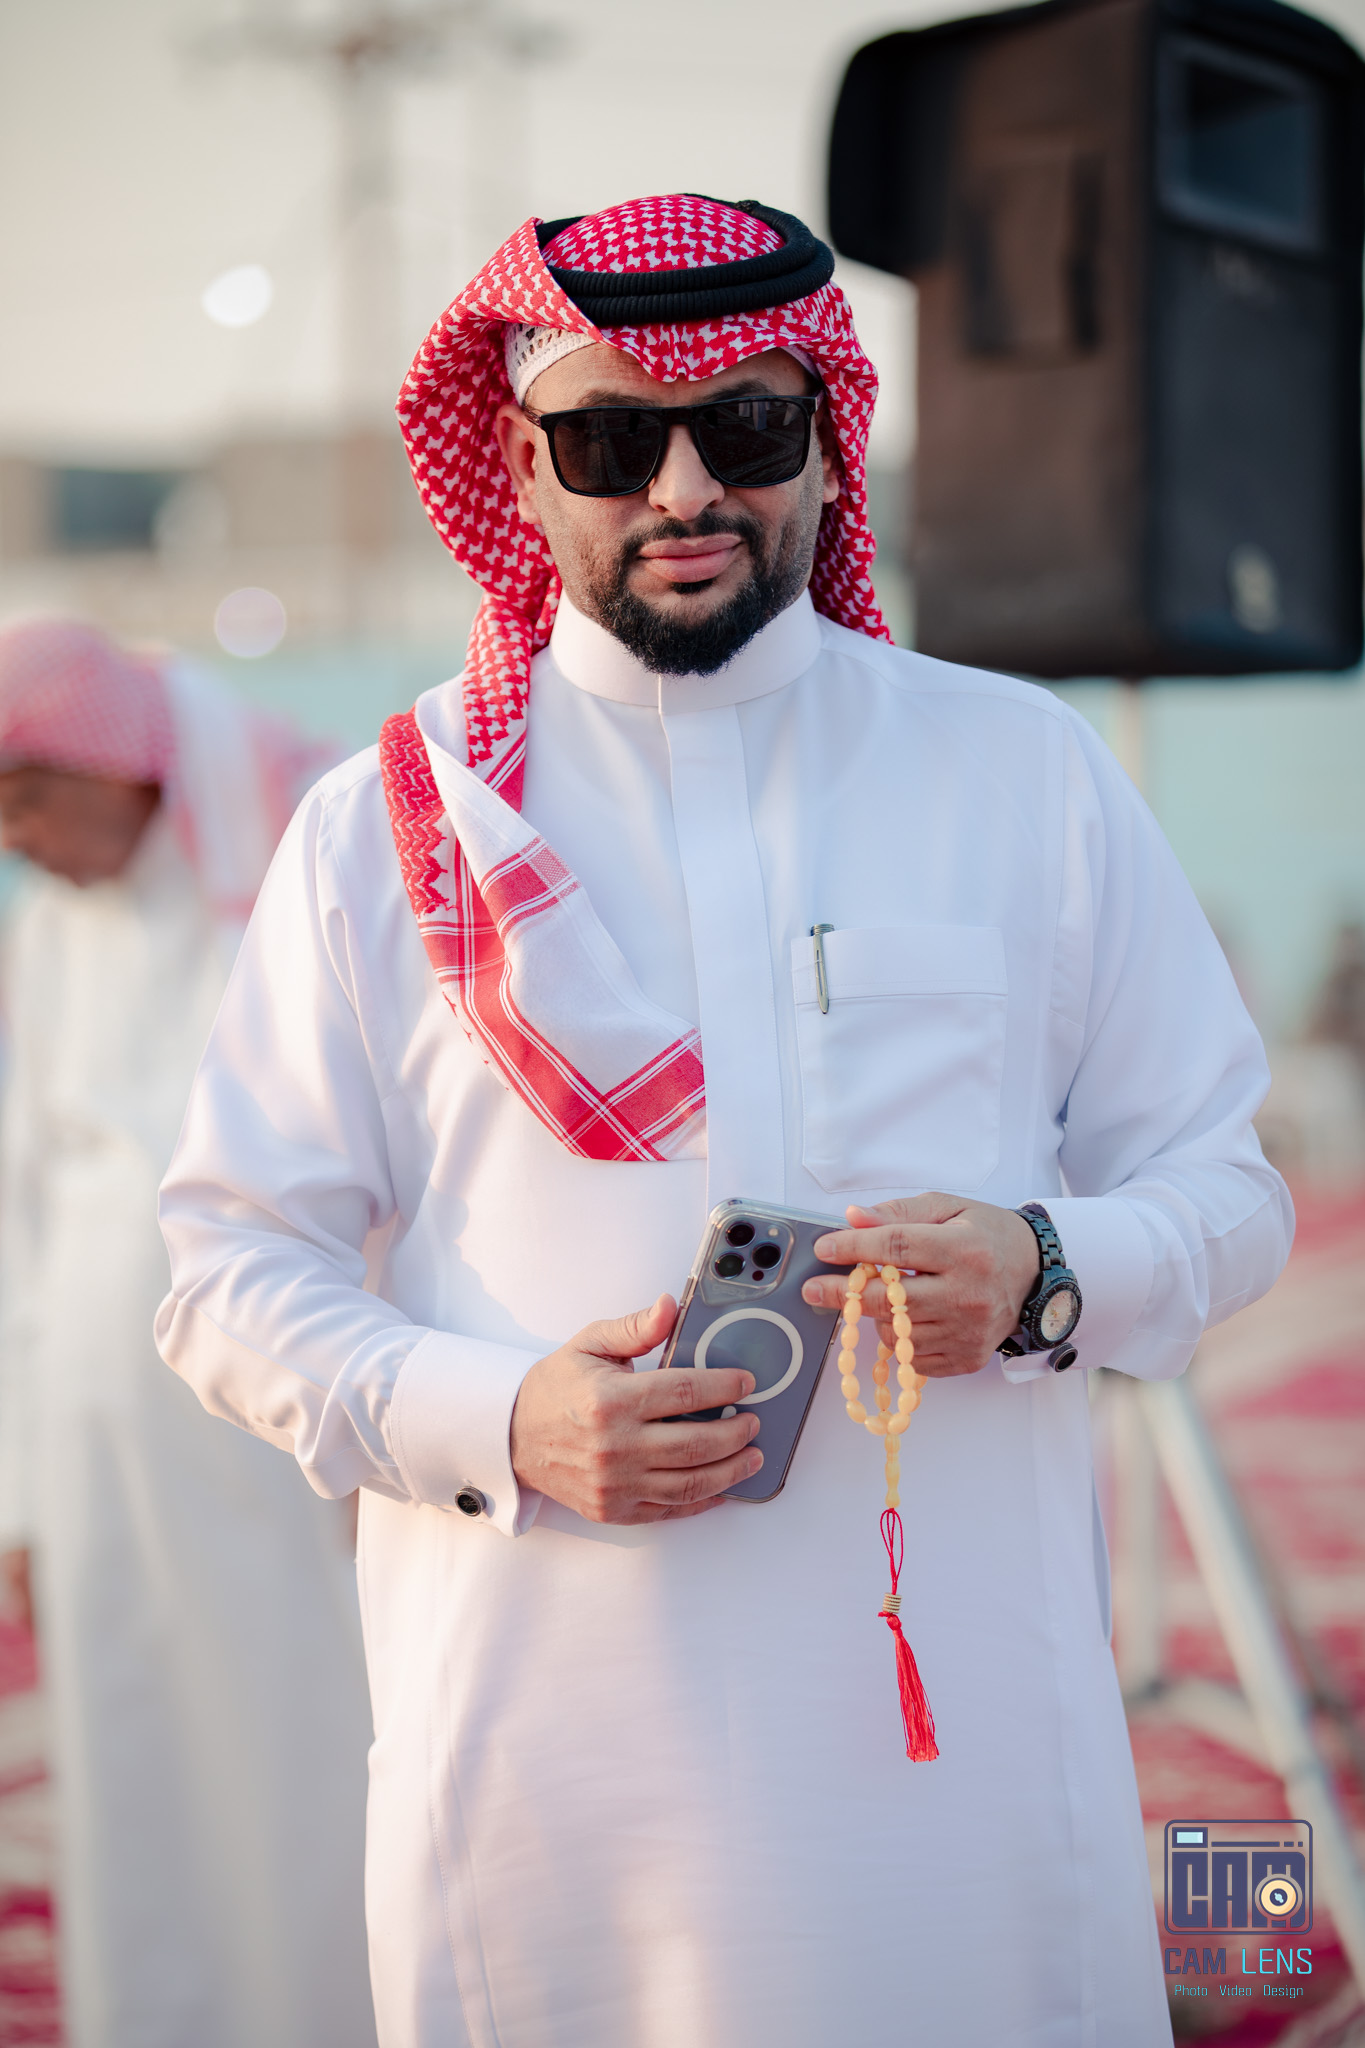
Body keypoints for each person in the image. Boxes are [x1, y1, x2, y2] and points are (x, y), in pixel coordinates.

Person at [156, 196, 1293, 2047]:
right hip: (549, 1742)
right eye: (611, 442)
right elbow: (224, 1272)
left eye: (745, 428)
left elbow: (1224, 1190)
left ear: (829, 447)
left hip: (961, 1739)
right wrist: (501, 1418)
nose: (683, 490)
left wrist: (1045, 1268)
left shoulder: (1019, 770)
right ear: (518, 469)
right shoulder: (381, 831)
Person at [0, 619, 378, 2048]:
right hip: (92, 1427)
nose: (18, 840)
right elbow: (24, 1206)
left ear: (117, 770)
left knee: (292, 1734)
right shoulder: (50, 931)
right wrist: (20, 1490)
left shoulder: (290, 877)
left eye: (27, 798)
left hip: (271, 1422)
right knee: (128, 1741)